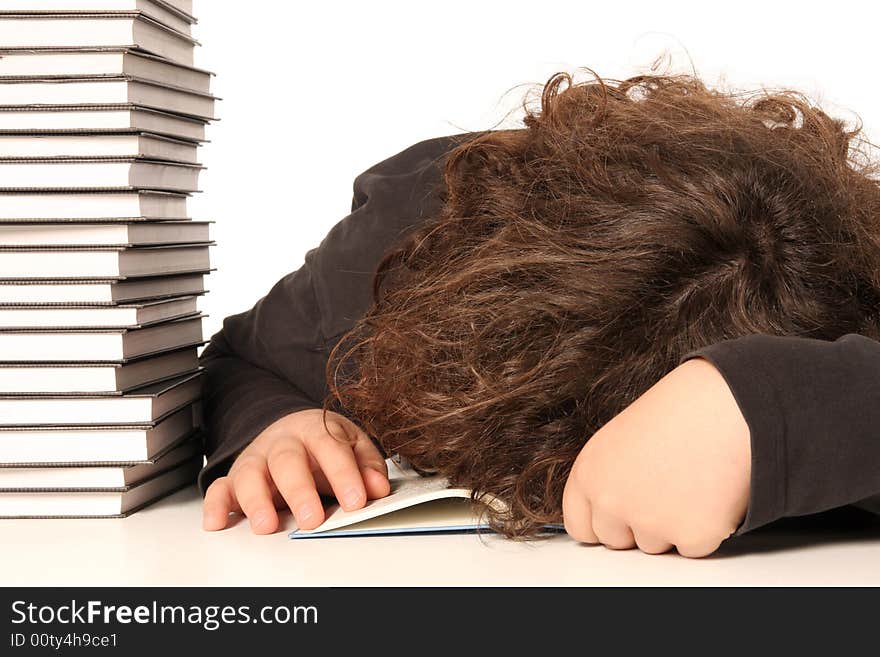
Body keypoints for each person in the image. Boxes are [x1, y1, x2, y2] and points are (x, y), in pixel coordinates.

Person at [198, 70, 880, 558]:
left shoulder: (852, 271)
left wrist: (774, 407)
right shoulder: (404, 246)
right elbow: (241, 357)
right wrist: (277, 423)